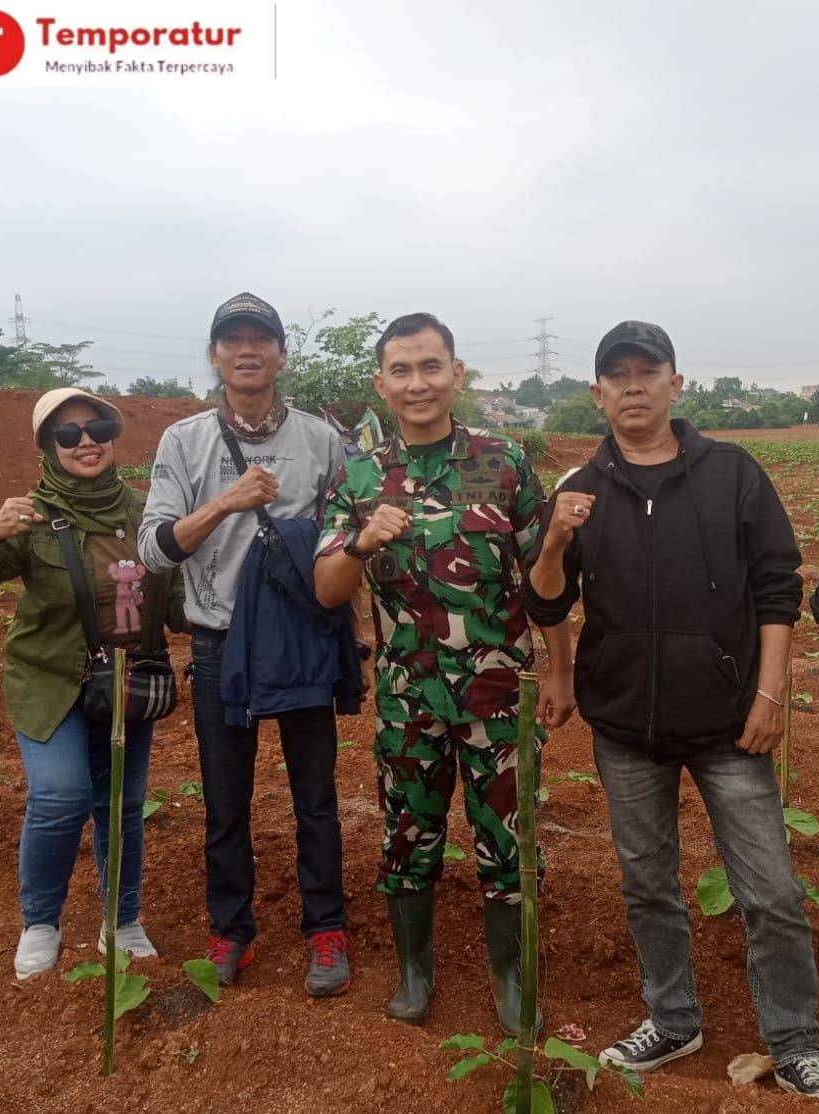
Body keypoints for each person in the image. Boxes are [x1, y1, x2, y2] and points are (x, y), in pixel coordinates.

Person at [522, 322, 819, 1100]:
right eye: (617, 375)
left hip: (730, 724)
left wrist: (771, 695)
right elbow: (546, 602)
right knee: (647, 883)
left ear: (676, 383)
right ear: (597, 392)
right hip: (626, 727)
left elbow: (778, 589)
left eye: (648, 371)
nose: (633, 386)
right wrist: (552, 541)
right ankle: (673, 1019)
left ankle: (795, 1042)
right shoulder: (581, 486)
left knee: (769, 889)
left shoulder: (732, 473)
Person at [313, 312, 576, 1036]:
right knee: (407, 836)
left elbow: (543, 579)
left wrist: (561, 669)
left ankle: (512, 980)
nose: (417, 383)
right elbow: (328, 590)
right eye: (401, 370)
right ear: (381, 383)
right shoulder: (359, 476)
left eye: (431, 367)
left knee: (510, 839)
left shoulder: (505, 461)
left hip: (499, 696)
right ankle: (414, 973)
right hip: (408, 700)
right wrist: (362, 542)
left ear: (456, 375)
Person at [0, 388, 185, 977]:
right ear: (48, 446)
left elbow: (175, 600)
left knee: (121, 804)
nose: (86, 441)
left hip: (127, 681)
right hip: (50, 678)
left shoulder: (146, 511)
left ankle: (121, 921)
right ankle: (41, 922)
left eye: (96, 427)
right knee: (61, 796)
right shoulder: (29, 515)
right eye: (67, 434)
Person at [138, 292, 353, 996]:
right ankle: (230, 932)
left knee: (314, 798)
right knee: (225, 803)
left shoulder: (323, 442)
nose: (246, 349)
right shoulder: (183, 441)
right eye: (232, 340)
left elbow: (349, 532)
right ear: (214, 357)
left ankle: (327, 929)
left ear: (282, 355)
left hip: (297, 642)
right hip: (218, 643)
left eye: (261, 338)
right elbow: (154, 549)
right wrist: (226, 502)